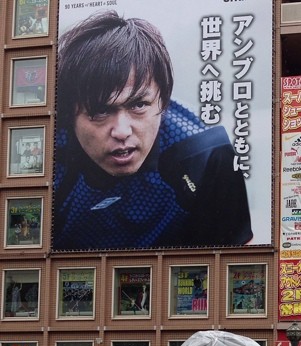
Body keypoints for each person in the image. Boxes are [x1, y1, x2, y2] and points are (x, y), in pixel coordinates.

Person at [53, 11, 252, 251]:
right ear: (68, 114)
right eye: (100, 111)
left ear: (163, 101)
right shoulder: (45, 152)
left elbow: (237, 262)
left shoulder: (206, 155)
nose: (122, 131)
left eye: (139, 105)